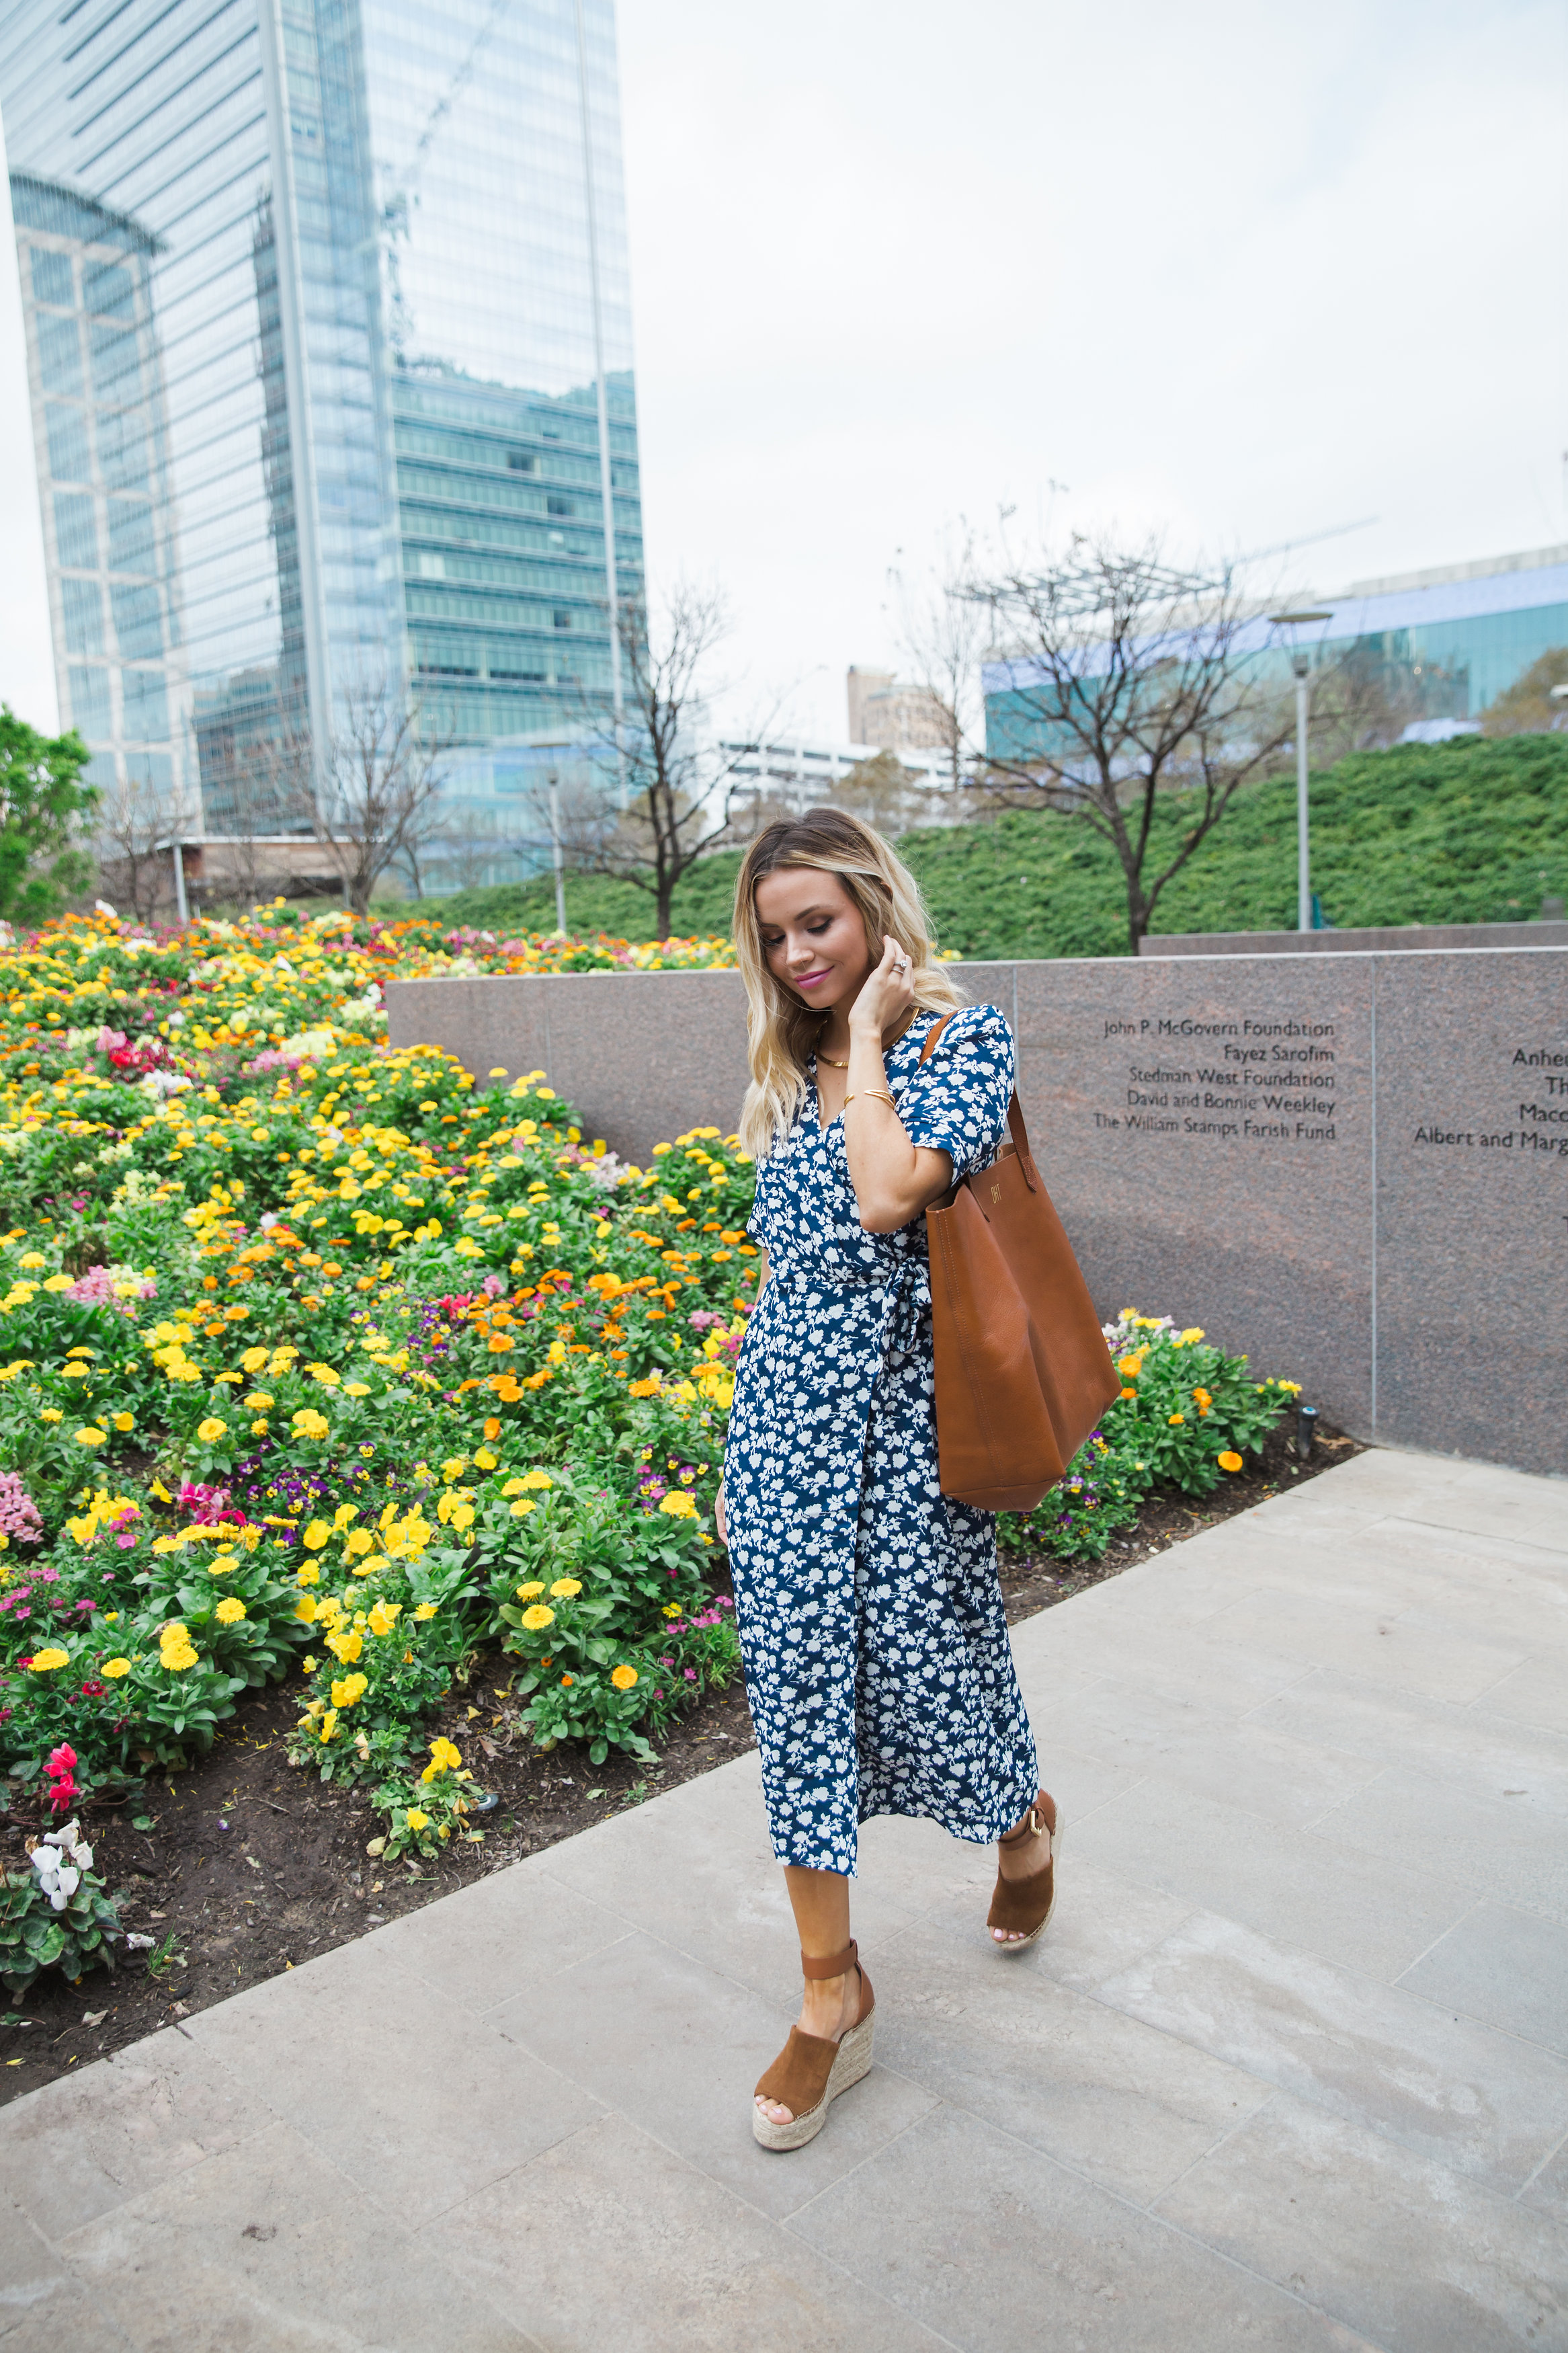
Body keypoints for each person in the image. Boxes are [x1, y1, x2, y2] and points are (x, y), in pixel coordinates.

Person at [716, 807, 1059, 2154]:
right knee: (798, 1699)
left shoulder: (962, 1041)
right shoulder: (776, 1065)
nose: (800, 954)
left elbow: (883, 1193)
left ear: (872, 911)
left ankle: (1021, 1825)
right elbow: (791, 1260)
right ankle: (830, 1997)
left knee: (942, 1672)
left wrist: (865, 1041)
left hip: (918, 1432)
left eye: (821, 923)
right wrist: (748, 1450)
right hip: (790, 1427)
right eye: (776, 933)